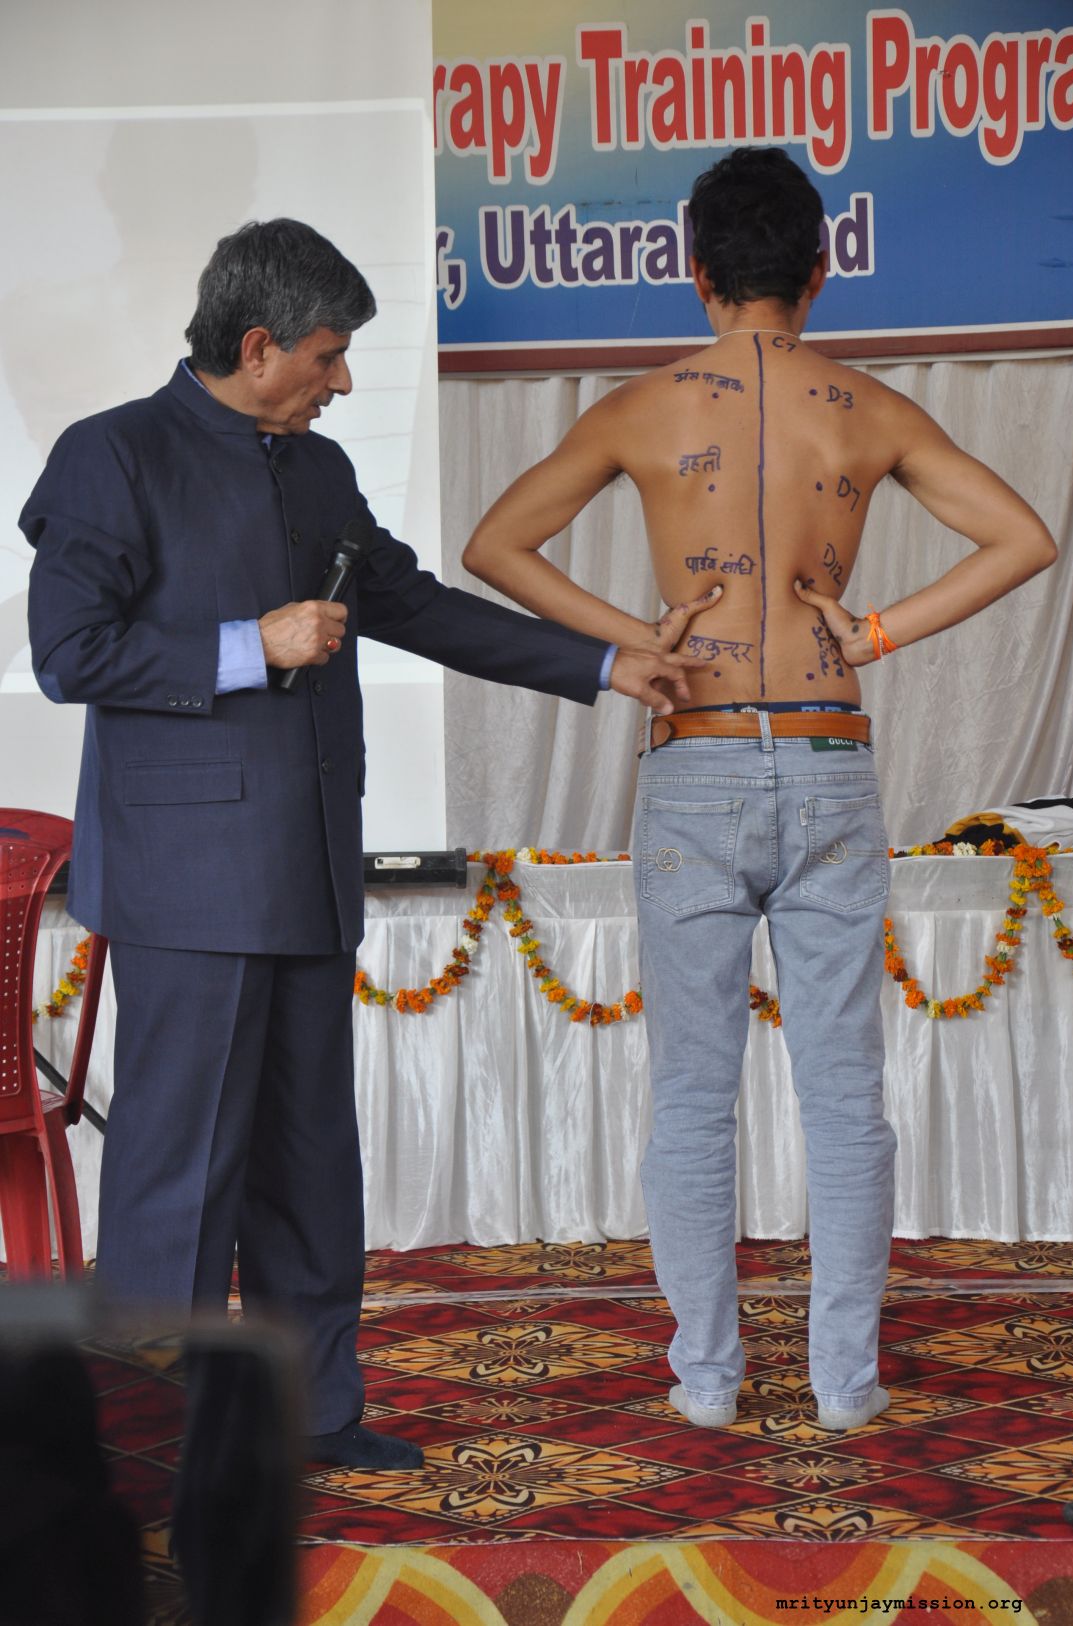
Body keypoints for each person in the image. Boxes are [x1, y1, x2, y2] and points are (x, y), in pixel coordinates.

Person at [21, 218, 714, 1470]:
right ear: (258, 347)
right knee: (177, 1183)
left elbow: (415, 606)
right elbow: (71, 653)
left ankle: (314, 1419)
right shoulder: (110, 454)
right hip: (185, 888)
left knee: (309, 1171)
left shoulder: (321, 469)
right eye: (329, 356)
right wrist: (253, 644)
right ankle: (149, 1454)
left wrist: (607, 663)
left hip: (306, 871)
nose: (342, 382)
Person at [462, 148, 1057, 1432]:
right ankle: (846, 1385)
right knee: (844, 1097)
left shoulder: (639, 407)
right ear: (821, 273)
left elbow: (492, 545)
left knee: (692, 1096)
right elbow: (1027, 536)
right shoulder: (869, 407)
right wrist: (878, 631)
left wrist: (633, 646)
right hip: (831, 757)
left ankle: (708, 1381)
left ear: (694, 273)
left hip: (698, 754)